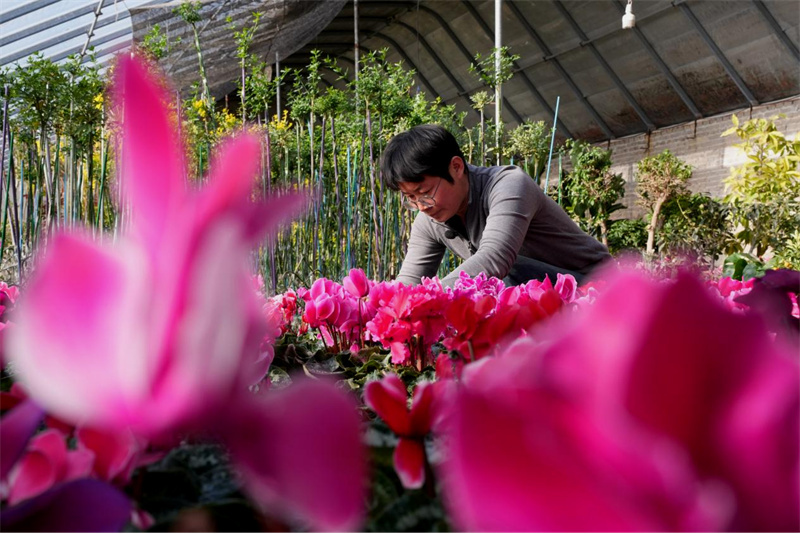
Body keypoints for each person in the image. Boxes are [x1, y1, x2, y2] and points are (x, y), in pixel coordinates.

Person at [380, 124, 611, 287]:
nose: (421, 206)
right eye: (410, 198)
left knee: (495, 278)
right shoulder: (429, 222)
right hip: (536, 294)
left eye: (425, 192)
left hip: (596, 289)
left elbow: (495, 259)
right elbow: (408, 284)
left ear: (457, 167)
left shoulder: (509, 185)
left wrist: (431, 297)